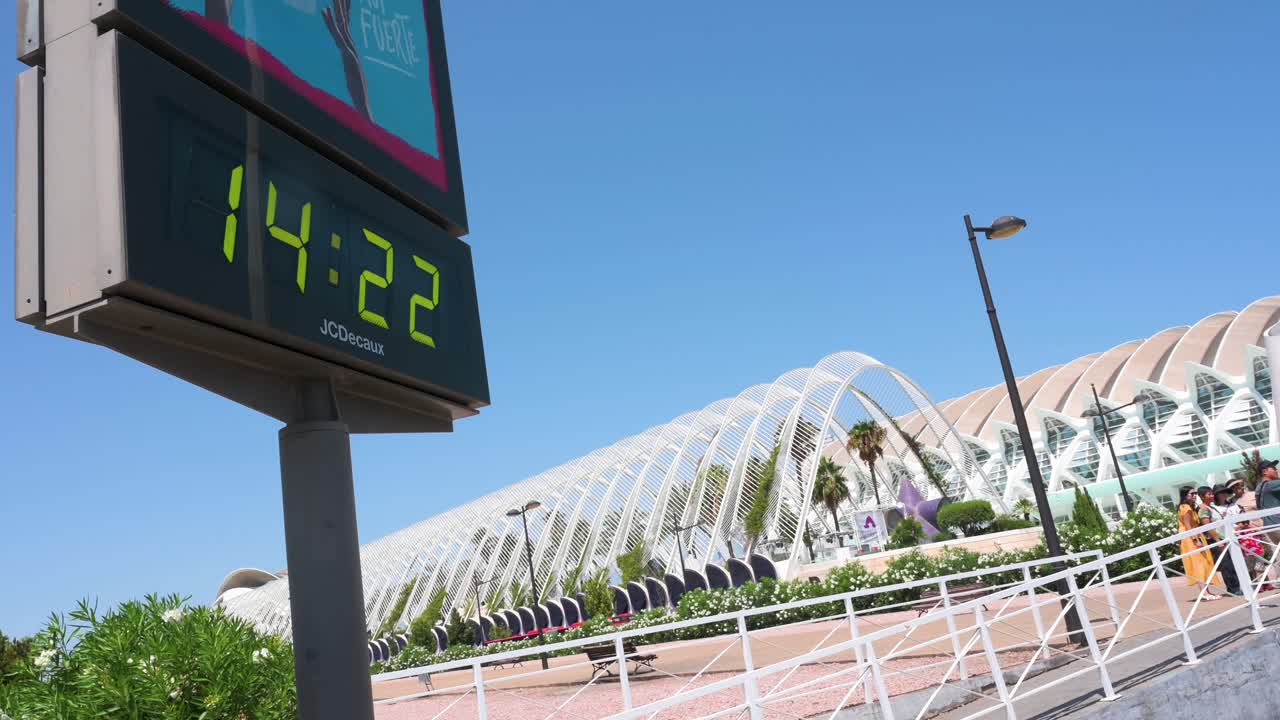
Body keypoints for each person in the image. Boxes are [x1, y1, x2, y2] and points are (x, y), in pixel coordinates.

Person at [1177, 486, 1221, 600]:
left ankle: (1207, 592)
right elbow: (1188, 526)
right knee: (1199, 564)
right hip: (1191, 538)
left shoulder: (1189, 507)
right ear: (1185, 495)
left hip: (1195, 536)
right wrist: (1196, 540)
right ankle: (1205, 593)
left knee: (1203, 563)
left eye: (1195, 493)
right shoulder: (1186, 508)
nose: (1195, 495)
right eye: (1192, 494)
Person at [1201, 484, 1242, 596]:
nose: (1212, 496)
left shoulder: (1212, 507)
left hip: (1225, 537)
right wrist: (1217, 540)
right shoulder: (1204, 509)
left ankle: (1237, 587)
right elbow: (1207, 526)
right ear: (1203, 496)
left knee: (1232, 563)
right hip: (1218, 540)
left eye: (1212, 494)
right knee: (1226, 565)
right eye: (1209, 494)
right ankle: (1233, 589)